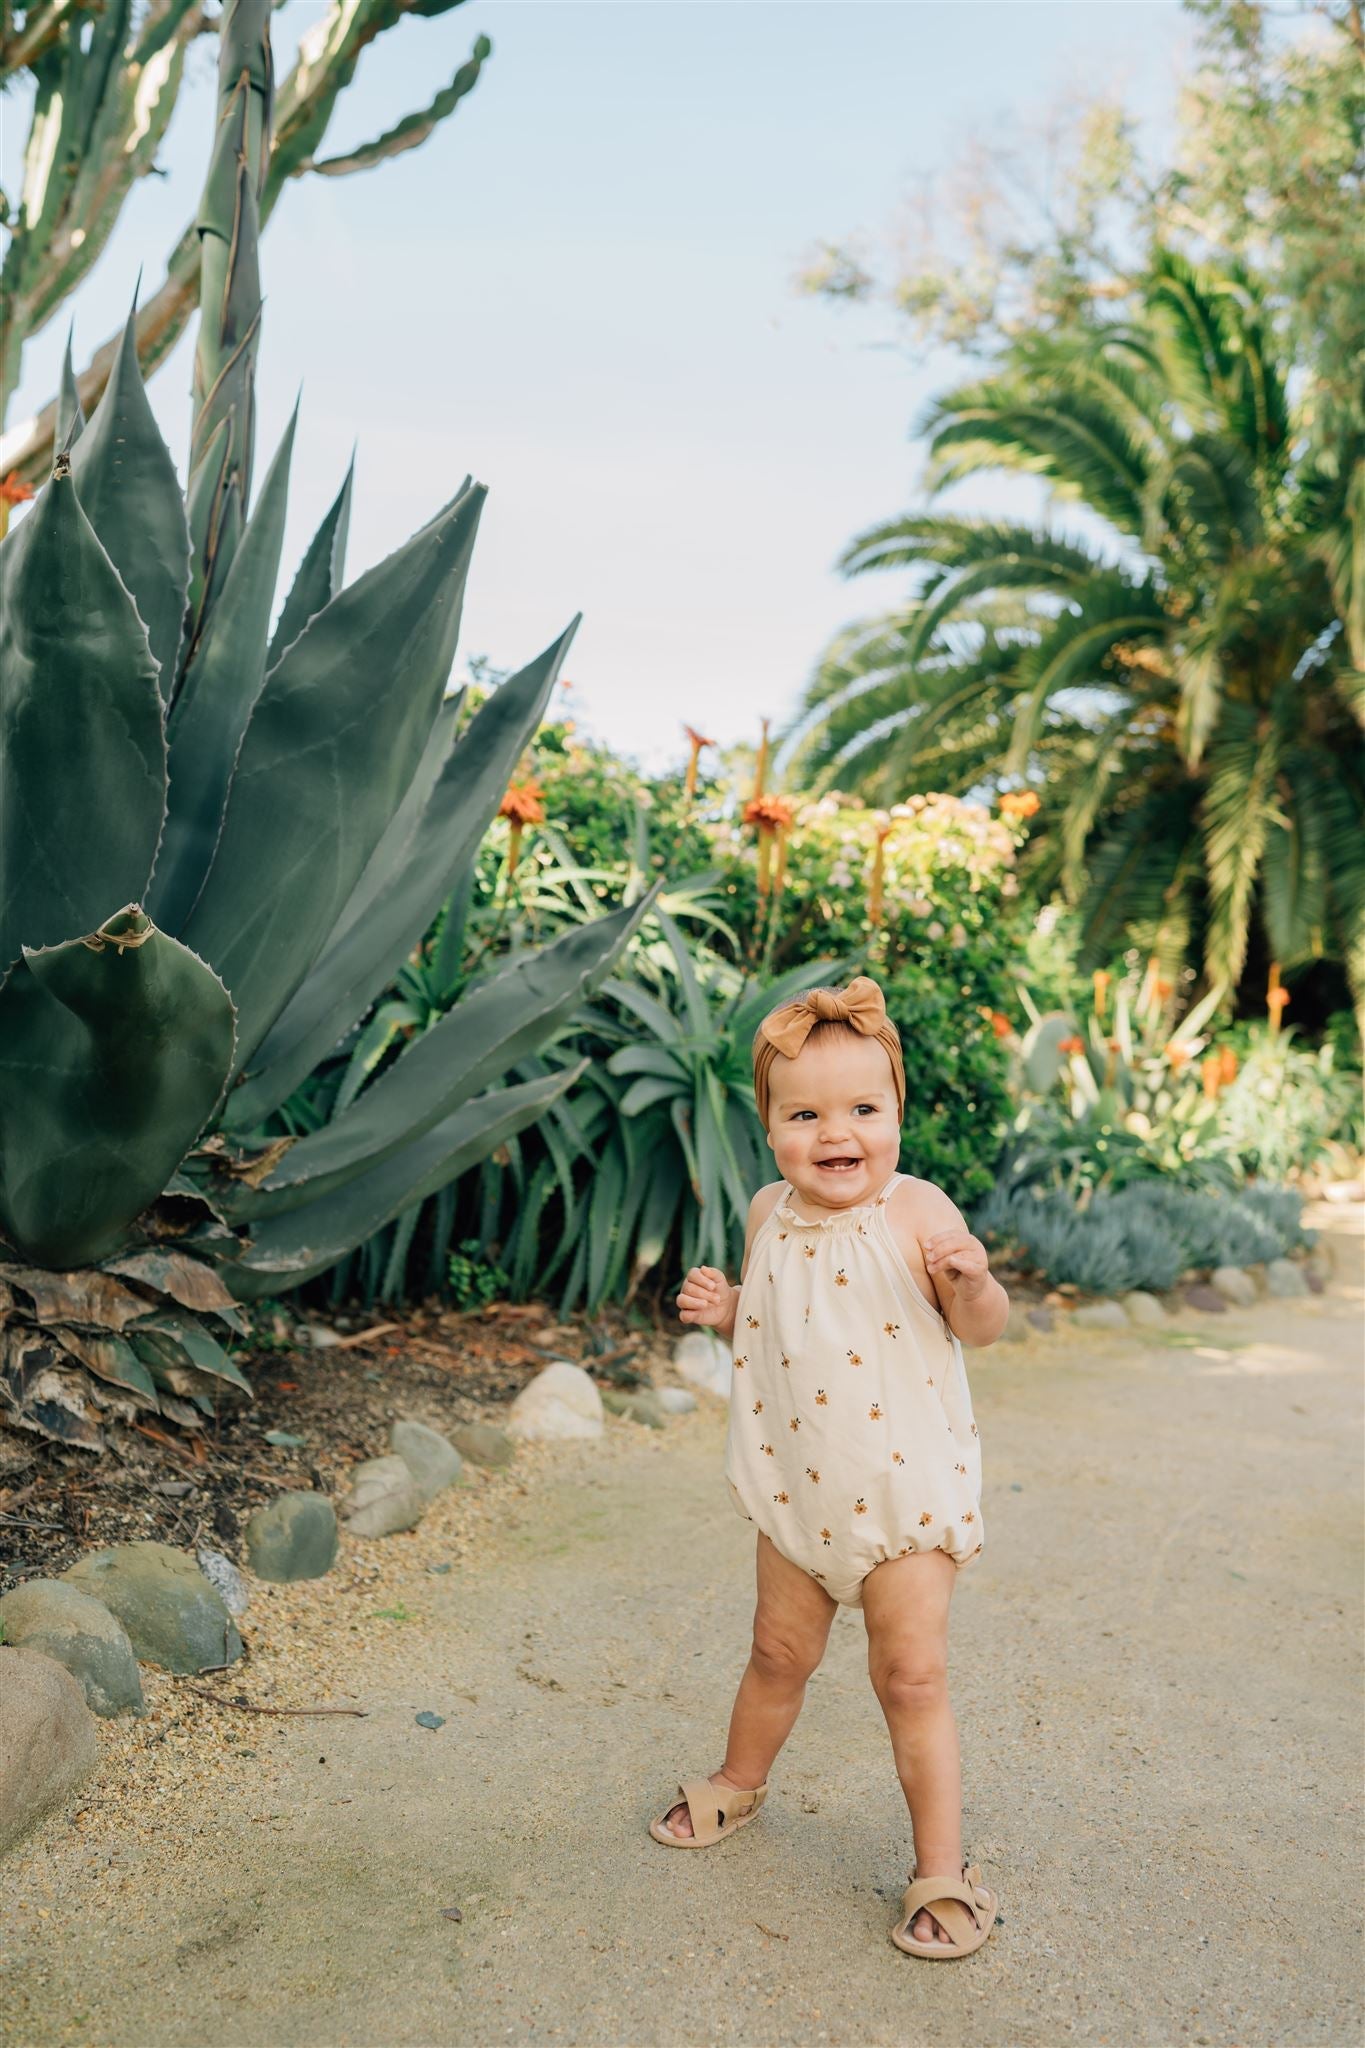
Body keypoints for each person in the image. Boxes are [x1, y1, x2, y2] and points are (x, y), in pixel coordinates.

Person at [649, 974, 1010, 1959]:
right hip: (798, 1492)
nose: (835, 1131)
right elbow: (784, 1315)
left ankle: (940, 1863)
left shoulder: (916, 1210)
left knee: (910, 1674)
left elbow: (980, 1326)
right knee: (776, 1653)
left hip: (903, 1495)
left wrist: (973, 1282)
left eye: (863, 1108)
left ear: (897, 1111)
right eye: (805, 1112)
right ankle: (738, 1777)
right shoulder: (770, 1212)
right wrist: (725, 1306)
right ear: (767, 1125)